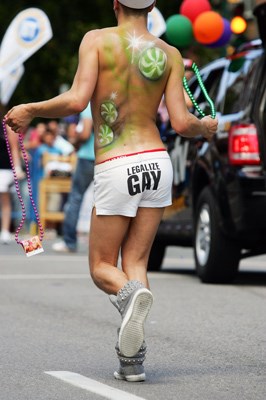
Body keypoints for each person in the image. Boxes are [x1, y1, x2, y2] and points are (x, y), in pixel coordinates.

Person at [4, 0, 218, 382]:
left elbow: (76, 100)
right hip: (156, 163)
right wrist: (206, 127)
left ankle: (131, 299)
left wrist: (31, 109)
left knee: (104, 268)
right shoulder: (169, 53)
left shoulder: (97, 40)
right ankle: (131, 364)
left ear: (115, 4)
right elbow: (183, 122)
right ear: (151, 6)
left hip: (117, 163)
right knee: (135, 264)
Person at [52, 103, 95, 252]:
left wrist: (75, 143)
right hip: (106, 155)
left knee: (75, 198)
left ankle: (69, 242)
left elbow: (85, 134)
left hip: (87, 156)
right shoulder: (111, 99)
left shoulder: (90, 105)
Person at [0, 120, 24, 244]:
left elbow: (14, 147)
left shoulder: (7, 125)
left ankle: (5, 230)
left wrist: (17, 168)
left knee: (4, 198)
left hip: (5, 168)